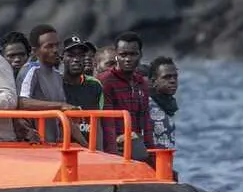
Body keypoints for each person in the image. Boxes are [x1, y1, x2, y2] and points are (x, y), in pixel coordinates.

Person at [16, 24, 81, 143]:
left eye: (57, 45)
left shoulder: (57, 76)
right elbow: (21, 102)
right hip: (33, 146)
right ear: (35, 51)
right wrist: (60, 105)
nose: (55, 50)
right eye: (49, 46)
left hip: (53, 146)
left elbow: (64, 111)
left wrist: (87, 146)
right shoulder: (30, 70)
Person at [99, 32, 155, 161]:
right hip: (113, 147)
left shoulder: (142, 83)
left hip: (135, 144)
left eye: (133, 54)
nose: (128, 59)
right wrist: (113, 157)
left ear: (140, 55)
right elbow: (107, 122)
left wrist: (152, 154)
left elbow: (146, 123)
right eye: (123, 55)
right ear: (116, 56)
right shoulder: (105, 81)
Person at [62, 36, 105, 149]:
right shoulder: (56, 84)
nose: (76, 59)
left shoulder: (95, 86)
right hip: (64, 150)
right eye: (71, 55)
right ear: (62, 58)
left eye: (81, 55)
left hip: (90, 152)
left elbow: (97, 123)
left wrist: (99, 152)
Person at [149, 57, 179, 152]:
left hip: (165, 162)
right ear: (154, 81)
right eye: (167, 77)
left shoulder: (169, 104)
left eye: (175, 77)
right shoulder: (145, 104)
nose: (173, 81)